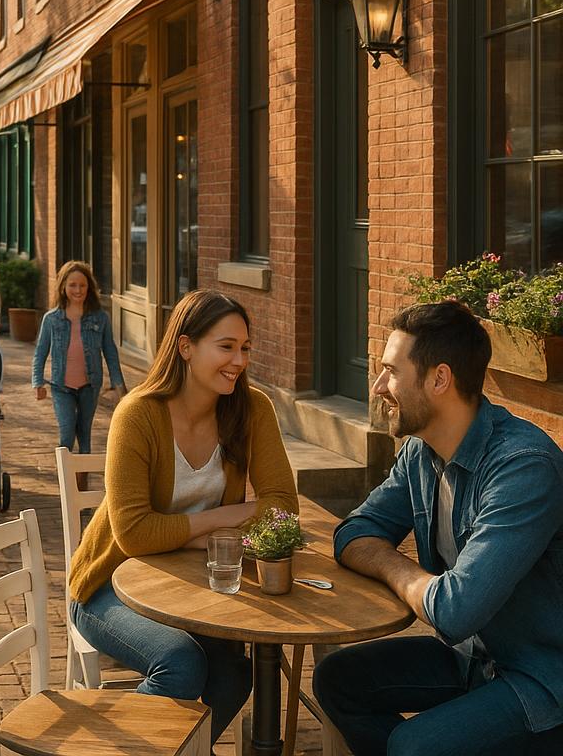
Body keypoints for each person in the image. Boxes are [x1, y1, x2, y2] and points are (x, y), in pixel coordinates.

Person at [313, 300, 563, 756]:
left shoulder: (522, 468)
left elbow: (455, 610)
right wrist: (408, 574)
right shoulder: (421, 452)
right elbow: (354, 531)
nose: (378, 386)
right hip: (472, 659)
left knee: (415, 746)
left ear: (439, 379)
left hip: (541, 677)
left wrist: (402, 573)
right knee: (338, 680)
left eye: (391, 371)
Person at [68, 290, 298, 746]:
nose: (238, 360)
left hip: (191, 587)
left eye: (245, 348)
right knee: (181, 661)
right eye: (226, 346)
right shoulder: (138, 414)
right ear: (186, 347)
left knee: (235, 674)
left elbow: (282, 511)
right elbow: (133, 535)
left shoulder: (253, 409)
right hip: (107, 587)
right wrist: (228, 518)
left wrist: (190, 539)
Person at [32, 260, 127, 455]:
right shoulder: (51, 319)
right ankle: (65, 481)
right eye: (72, 285)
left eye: (82, 285)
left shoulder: (100, 318)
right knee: (66, 435)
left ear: (89, 287)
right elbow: (40, 352)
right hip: (61, 387)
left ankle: (81, 482)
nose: (78, 290)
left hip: (89, 386)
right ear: (63, 287)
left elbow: (110, 353)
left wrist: (119, 386)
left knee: (84, 435)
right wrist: (38, 382)